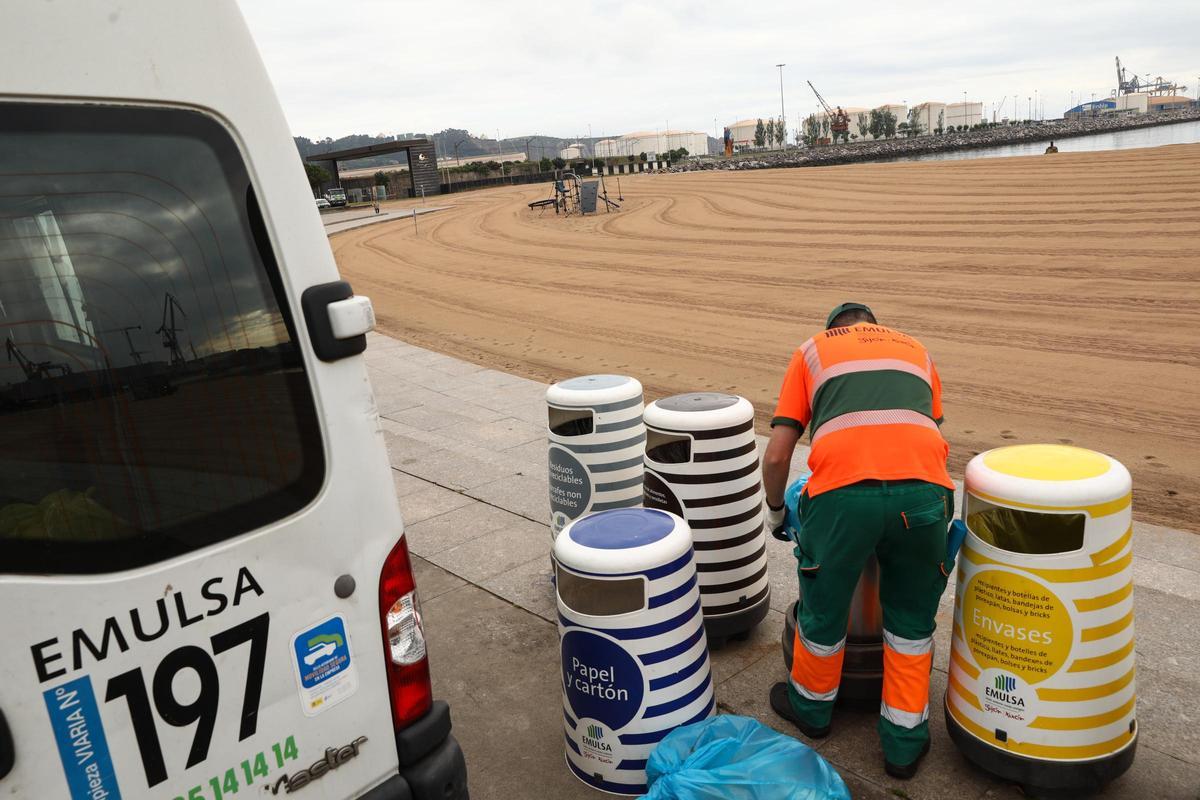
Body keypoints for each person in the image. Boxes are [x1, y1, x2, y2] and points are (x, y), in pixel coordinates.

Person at [762, 302, 955, 779]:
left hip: (844, 498)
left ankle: (811, 712)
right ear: (875, 324)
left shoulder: (813, 350)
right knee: (911, 622)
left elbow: (776, 457)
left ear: (834, 329)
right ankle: (903, 746)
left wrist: (776, 512)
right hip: (925, 497)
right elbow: (920, 430)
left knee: (824, 607)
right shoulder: (917, 349)